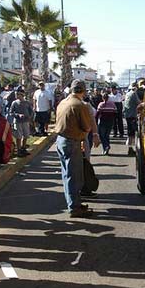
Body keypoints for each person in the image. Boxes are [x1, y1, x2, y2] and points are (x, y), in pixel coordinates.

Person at [54, 79, 94, 218]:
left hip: (61, 140)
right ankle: (75, 207)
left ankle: (73, 203)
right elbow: (86, 126)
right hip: (72, 142)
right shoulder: (79, 105)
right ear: (83, 91)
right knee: (74, 176)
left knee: (66, 175)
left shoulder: (63, 103)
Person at [9, 88, 34, 157]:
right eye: (16, 94)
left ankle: (23, 148)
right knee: (18, 136)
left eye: (18, 94)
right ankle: (19, 150)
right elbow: (11, 112)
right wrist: (18, 115)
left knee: (26, 135)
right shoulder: (14, 103)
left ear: (22, 95)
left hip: (25, 121)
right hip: (18, 122)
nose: (16, 95)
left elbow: (31, 111)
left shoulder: (27, 102)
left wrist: (30, 117)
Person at [123, 82, 140, 156]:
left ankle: (130, 148)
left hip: (127, 115)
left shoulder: (127, 94)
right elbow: (138, 103)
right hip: (132, 115)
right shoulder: (134, 94)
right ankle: (131, 149)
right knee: (133, 133)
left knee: (130, 132)